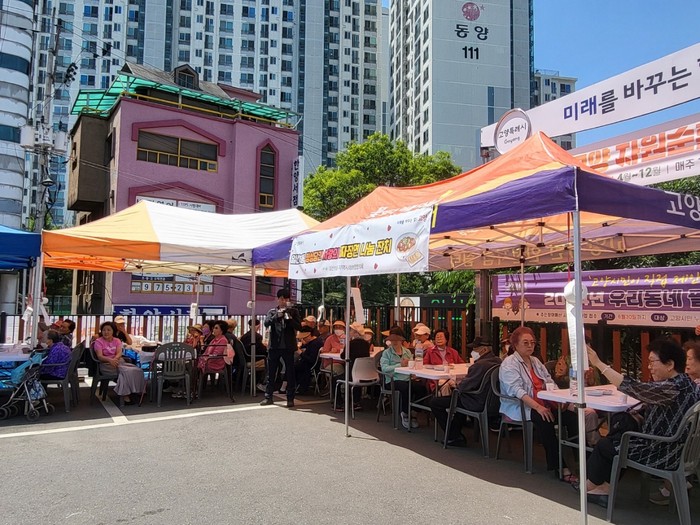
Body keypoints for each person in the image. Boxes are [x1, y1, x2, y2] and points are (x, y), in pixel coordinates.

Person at [582, 338, 700, 508]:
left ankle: (593, 487)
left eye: (652, 362)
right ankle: (601, 487)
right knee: (619, 437)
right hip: (677, 451)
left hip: (661, 452)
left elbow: (633, 387)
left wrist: (599, 364)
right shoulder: (688, 384)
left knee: (606, 445)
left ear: (670, 365)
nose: (649, 367)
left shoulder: (672, 388)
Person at [499, 326, 578, 480]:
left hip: (544, 403)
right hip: (521, 405)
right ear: (515, 345)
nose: (530, 346)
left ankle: (582, 461)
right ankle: (559, 467)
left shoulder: (535, 361)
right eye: (525, 343)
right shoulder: (509, 364)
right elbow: (516, 391)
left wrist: (559, 400)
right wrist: (538, 407)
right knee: (545, 419)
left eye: (532, 342)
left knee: (573, 418)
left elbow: (549, 381)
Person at [430, 336, 501, 446]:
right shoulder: (499, 361)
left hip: (475, 401)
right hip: (494, 402)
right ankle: (455, 433)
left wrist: (456, 385)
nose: (472, 352)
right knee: (457, 399)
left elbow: (464, 387)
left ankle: (453, 435)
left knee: (436, 402)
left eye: (475, 349)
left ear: (484, 350)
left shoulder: (479, 365)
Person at [261, 289, 301, 408]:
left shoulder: (293, 311)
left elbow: (299, 326)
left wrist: (289, 318)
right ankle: (268, 397)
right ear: (278, 299)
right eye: (282, 299)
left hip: (288, 346)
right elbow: (266, 323)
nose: (284, 301)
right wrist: (276, 316)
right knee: (271, 372)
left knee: (290, 372)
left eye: (286, 299)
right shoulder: (272, 311)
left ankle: (290, 398)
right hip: (274, 346)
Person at [380, 328, 427, 429]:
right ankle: (405, 413)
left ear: (401, 340)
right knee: (405, 388)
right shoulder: (386, 353)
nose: (394, 342)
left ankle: (414, 412)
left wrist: (414, 372)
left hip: (407, 378)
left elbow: (411, 365)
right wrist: (399, 365)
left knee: (421, 388)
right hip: (392, 380)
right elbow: (384, 369)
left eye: (397, 339)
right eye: (392, 339)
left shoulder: (407, 352)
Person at [93, 321, 146, 405]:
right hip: (106, 364)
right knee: (126, 372)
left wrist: (115, 359)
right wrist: (110, 360)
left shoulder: (117, 340)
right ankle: (126, 396)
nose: (106, 332)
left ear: (113, 331)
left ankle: (135, 391)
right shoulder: (98, 341)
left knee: (138, 370)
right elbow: (100, 356)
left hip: (118, 362)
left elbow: (119, 353)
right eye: (104, 330)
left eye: (108, 330)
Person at [334, 322, 371, 410]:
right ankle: (356, 401)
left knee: (335, 379)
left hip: (352, 373)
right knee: (356, 374)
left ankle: (339, 403)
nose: (349, 331)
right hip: (364, 373)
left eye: (351, 330)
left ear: (355, 332)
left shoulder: (351, 344)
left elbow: (343, 356)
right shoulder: (366, 344)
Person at [294, 329, 323, 395]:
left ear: (309, 336)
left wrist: (301, 353)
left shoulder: (314, 344)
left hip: (310, 365)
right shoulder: (314, 342)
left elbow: (311, 359)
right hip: (310, 363)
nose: (303, 340)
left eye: (304, 338)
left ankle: (300, 387)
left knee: (293, 367)